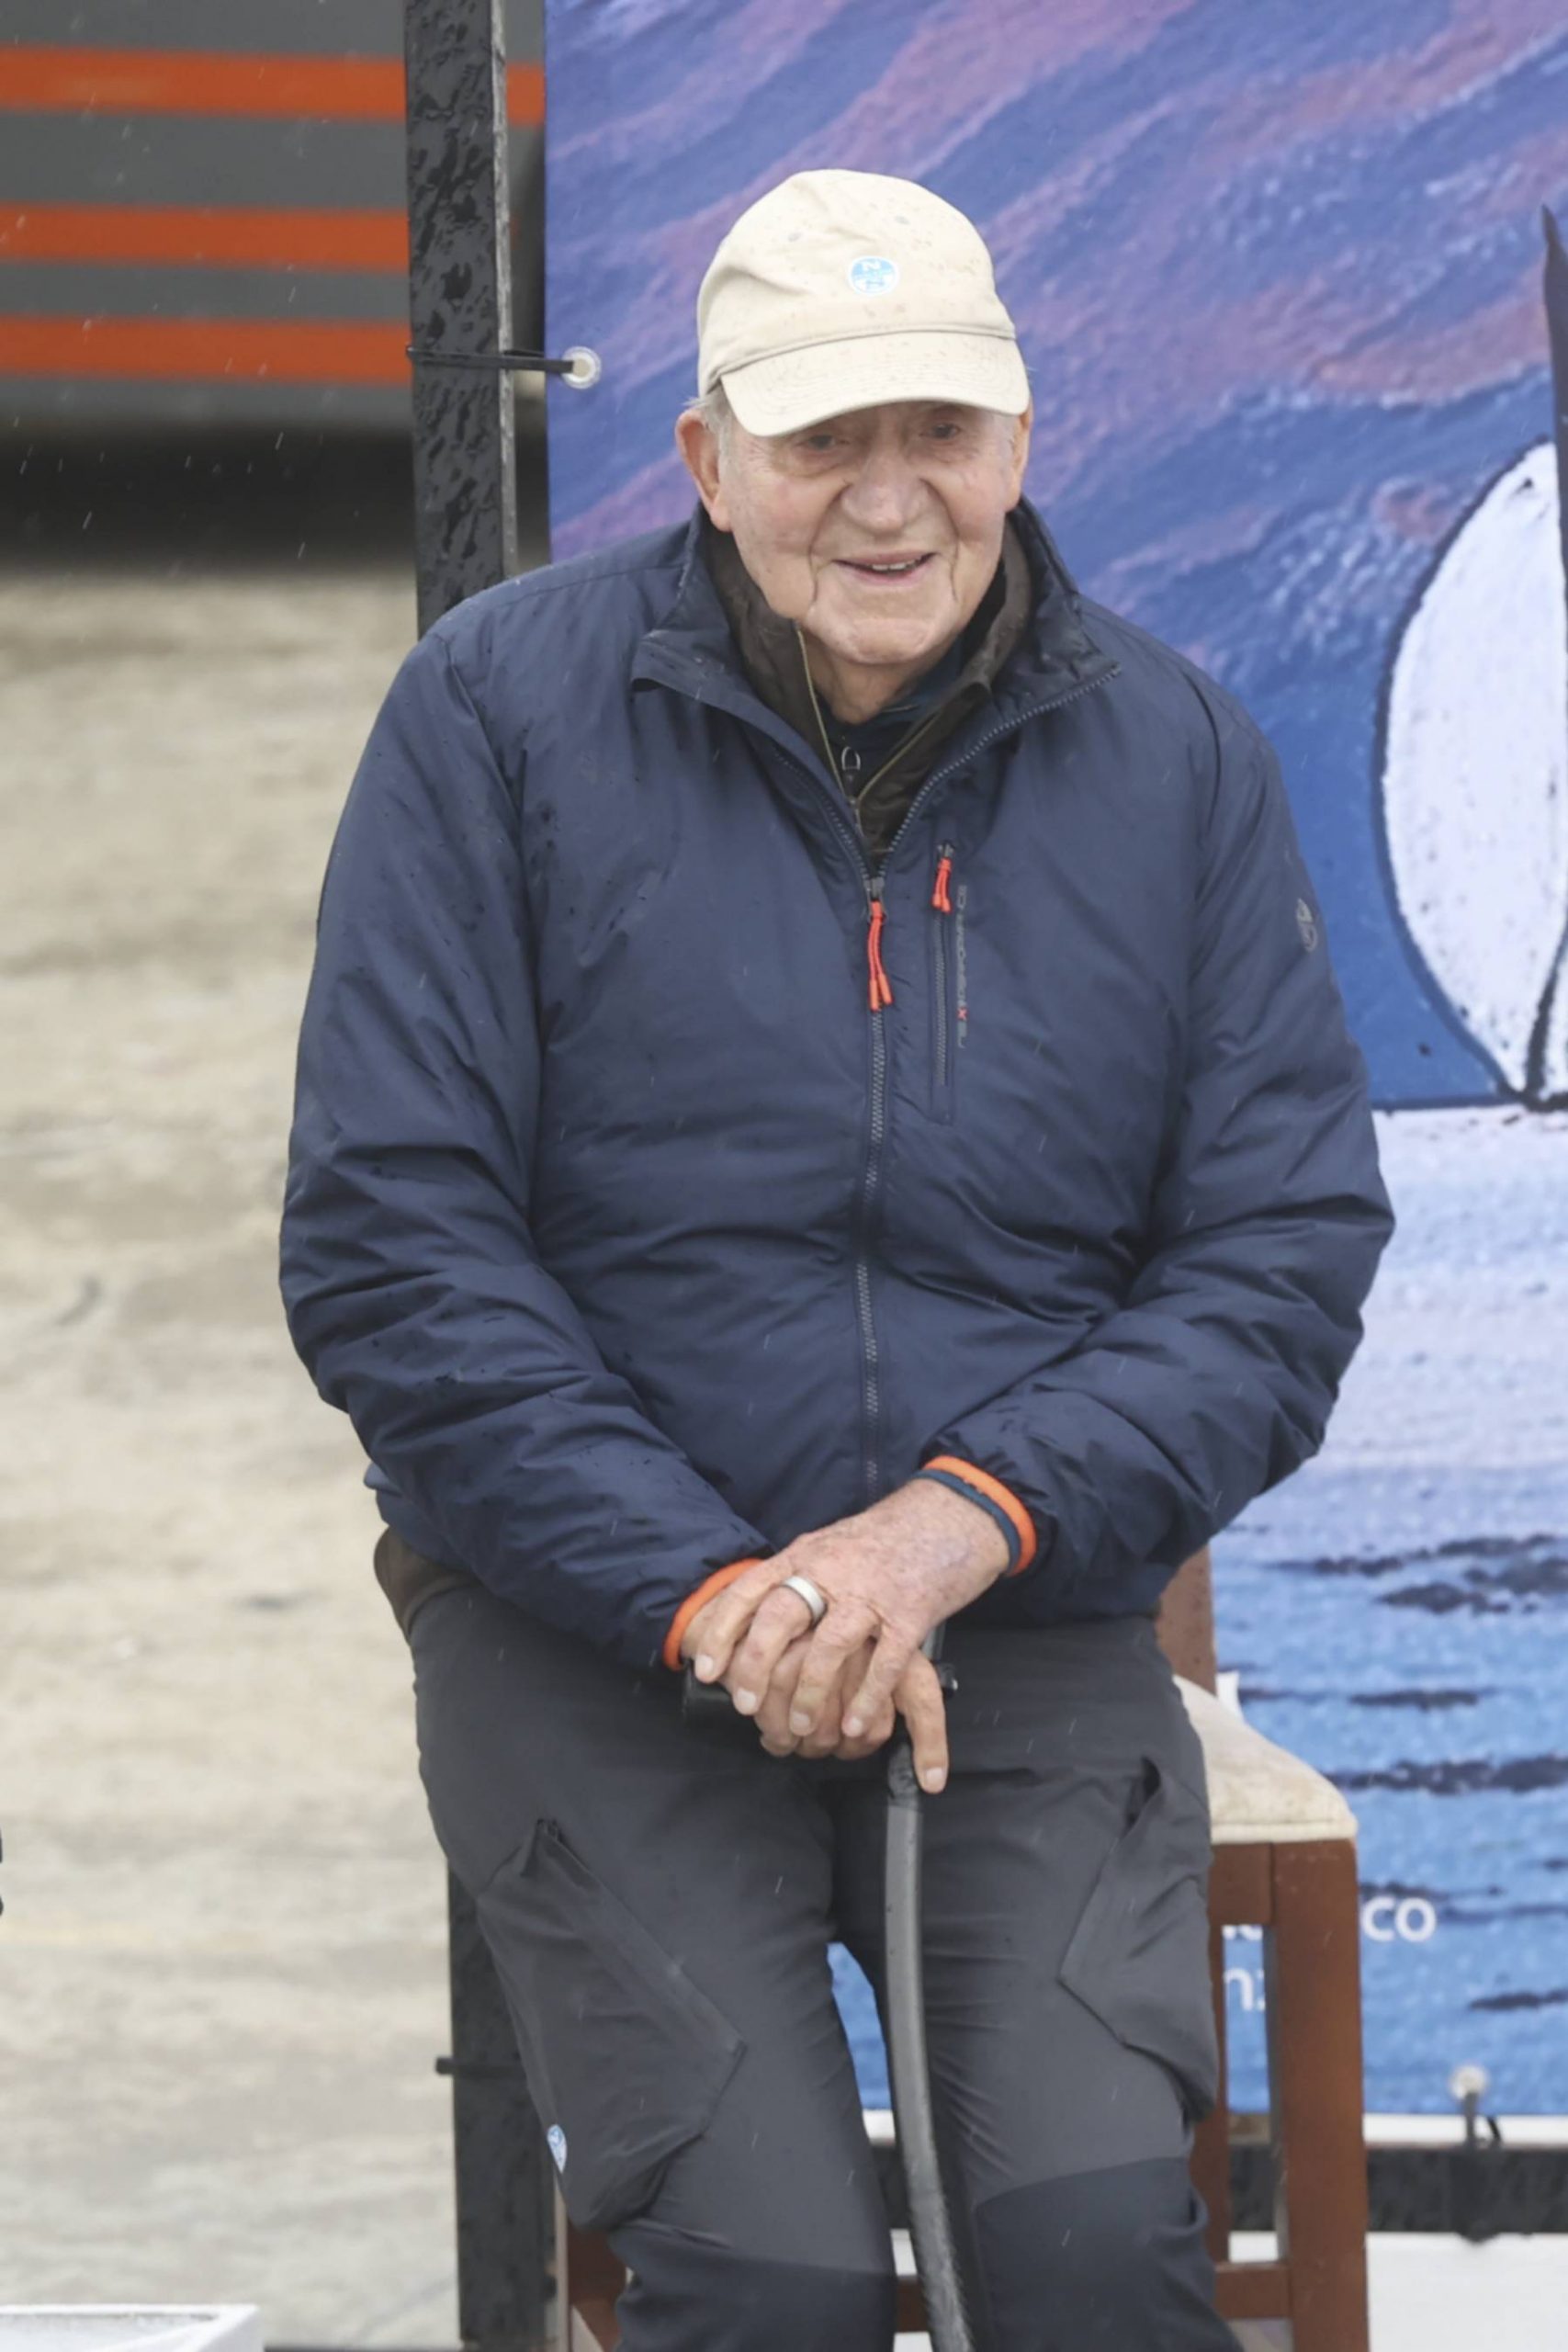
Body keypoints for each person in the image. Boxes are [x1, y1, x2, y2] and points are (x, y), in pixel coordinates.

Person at [281, 168, 1393, 2350]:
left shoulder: (1174, 754)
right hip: (598, 1627)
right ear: (705, 460)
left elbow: (1276, 1249)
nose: (887, 499)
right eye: (819, 440)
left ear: (1019, 439)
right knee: (767, 2280)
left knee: (1086, 2260)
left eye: (937, 431)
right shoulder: (491, 715)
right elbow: (391, 1238)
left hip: (1011, 1614)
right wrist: (714, 1587)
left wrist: (948, 1525)